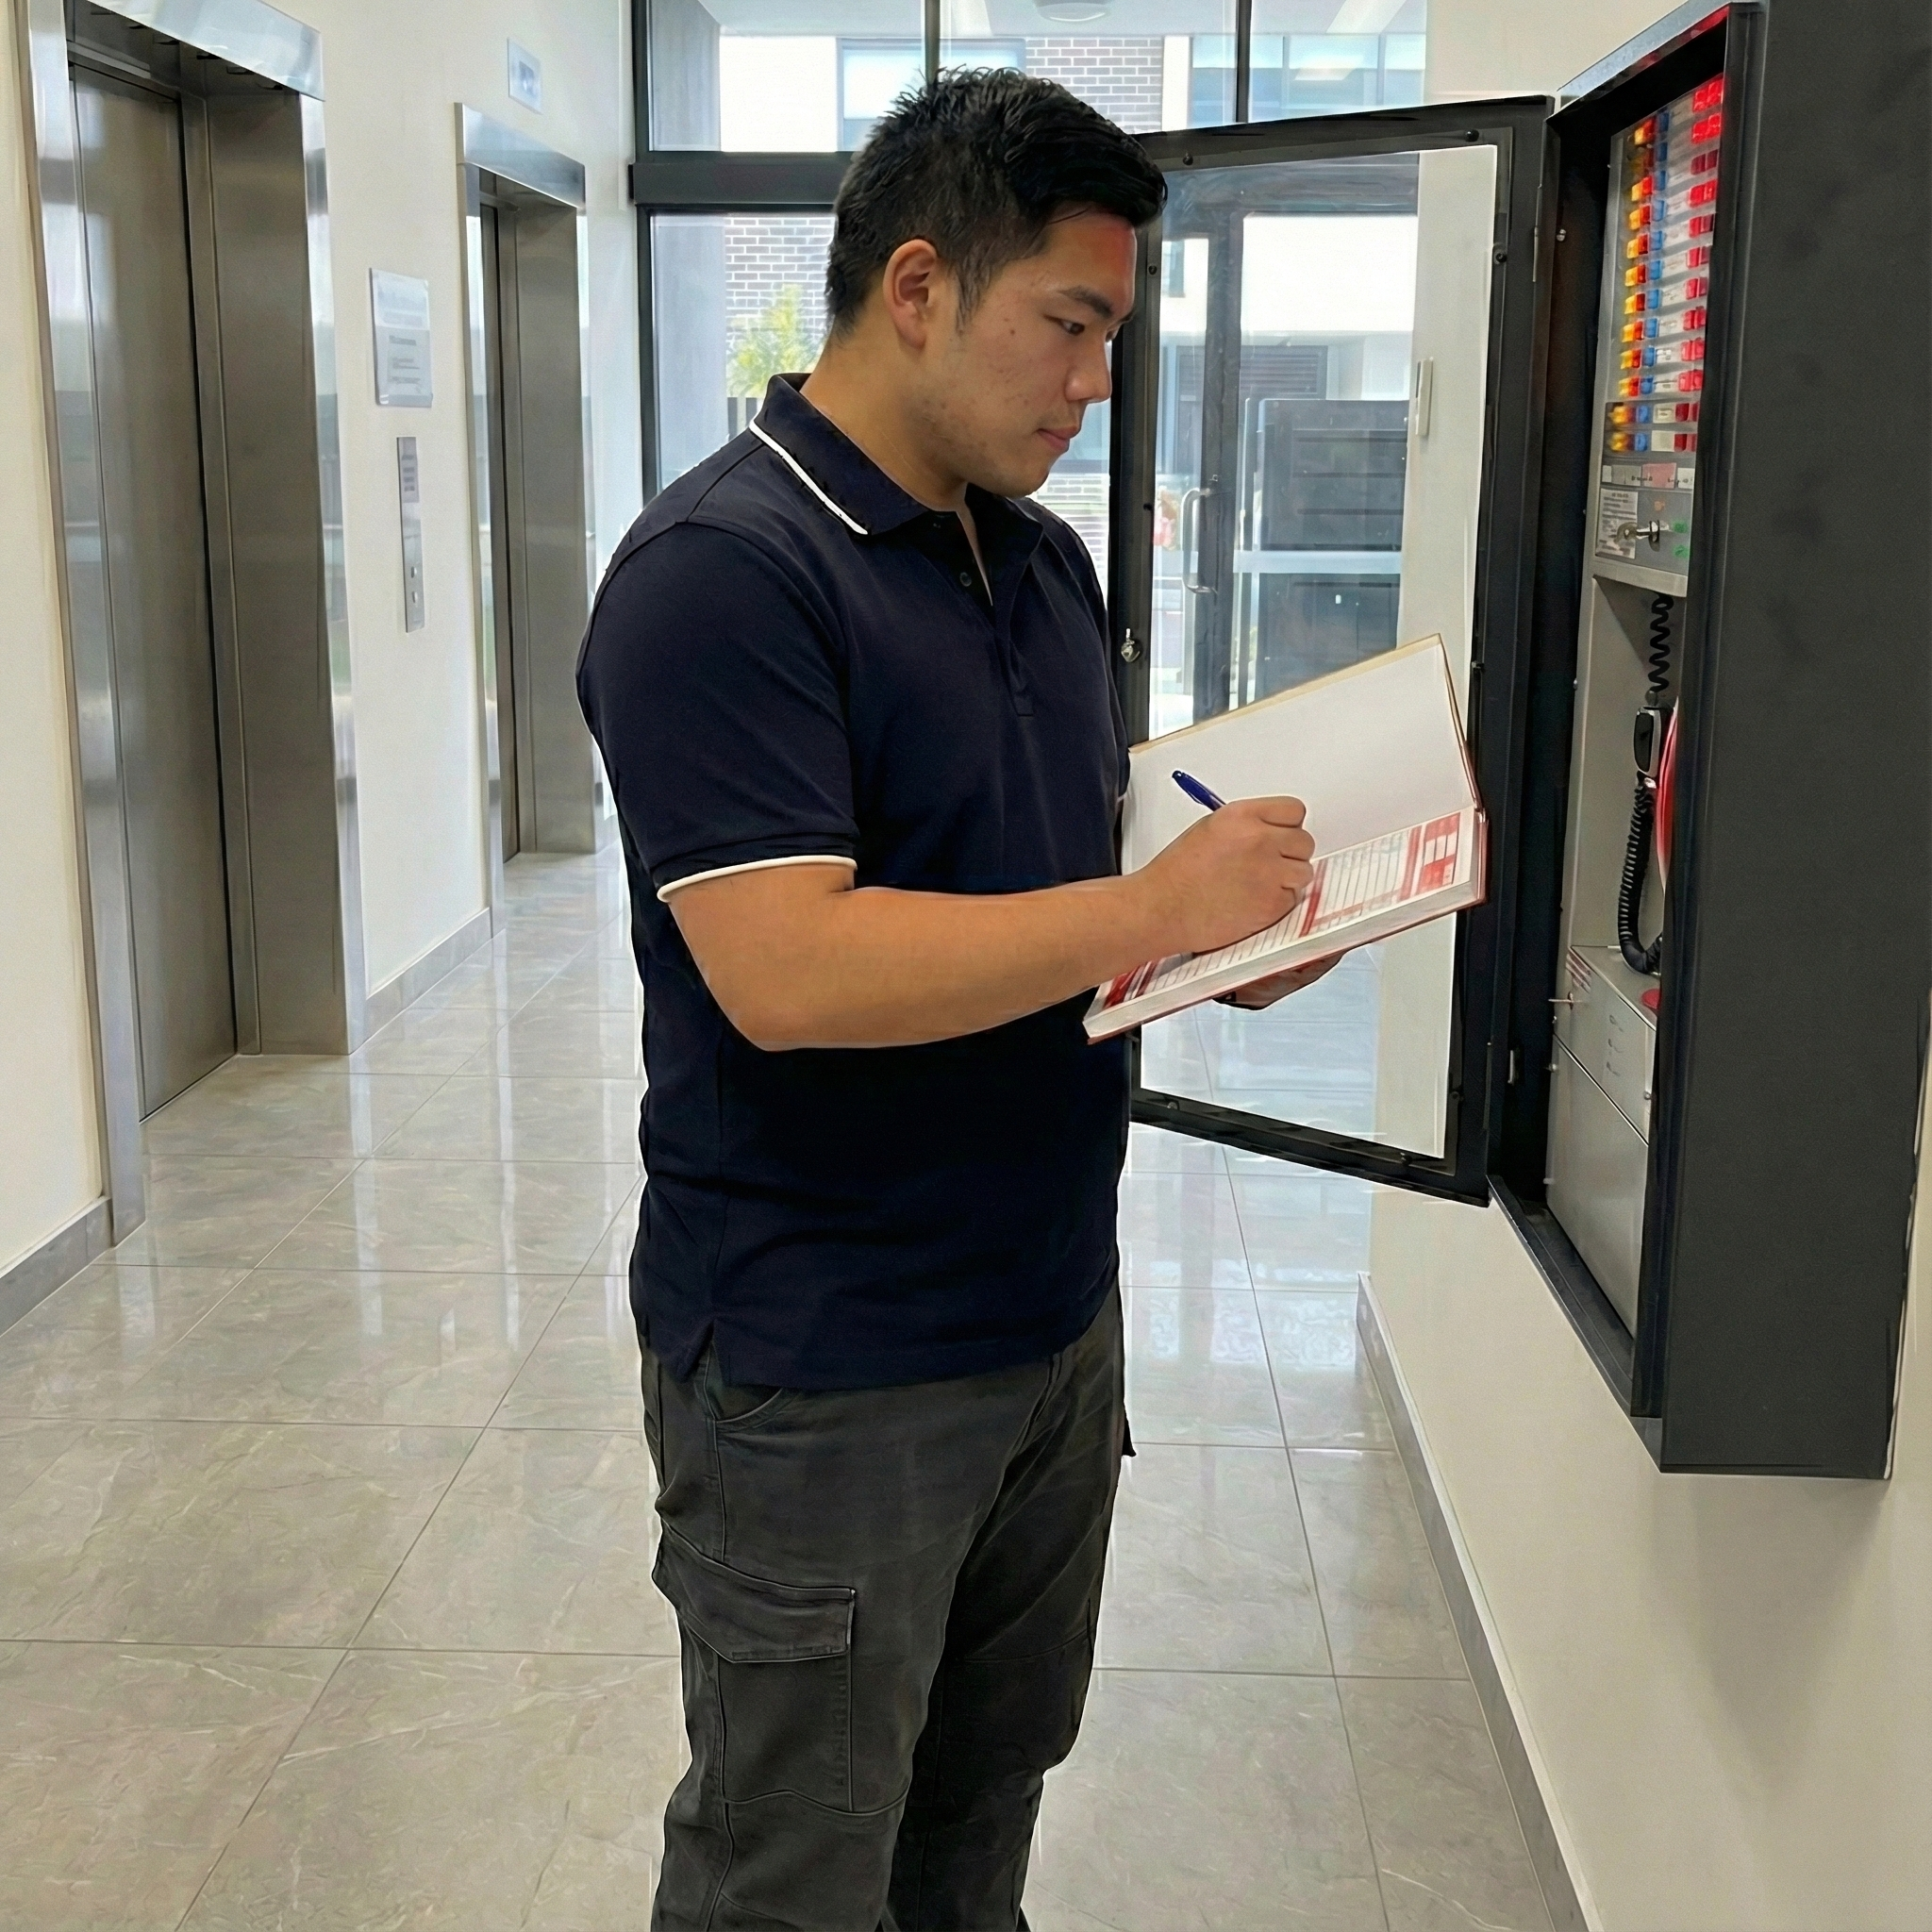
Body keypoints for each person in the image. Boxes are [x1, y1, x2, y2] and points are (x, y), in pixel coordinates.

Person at [578, 68, 1331, 1932]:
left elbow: (1055, 880)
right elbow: (789, 969)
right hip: (826, 1371)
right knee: (789, 1872)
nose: (1093, 382)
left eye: (1112, 336)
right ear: (915, 287)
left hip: (1047, 1329)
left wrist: (1209, 942)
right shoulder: (721, 578)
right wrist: (1134, 904)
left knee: (975, 1824)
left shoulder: (1043, 561)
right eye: (1065, 325)